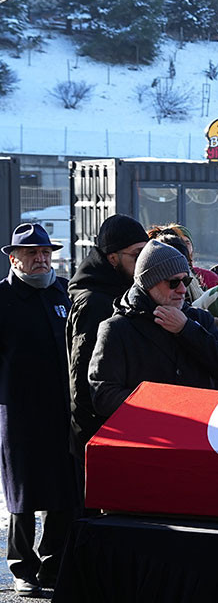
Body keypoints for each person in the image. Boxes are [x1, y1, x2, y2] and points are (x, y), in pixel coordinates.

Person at [0, 224, 79, 596]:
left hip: (63, 410)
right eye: (31, 253)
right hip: (20, 413)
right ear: (14, 259)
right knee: (23, 494)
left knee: (62, 491)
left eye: (45, 252)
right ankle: (22, 566)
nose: (41, 259)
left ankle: (52, 565)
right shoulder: (3, 298)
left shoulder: (63, 292)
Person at [89, 239, 218, 418]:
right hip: (148, 431)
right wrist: (161, 406)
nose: (183, 289)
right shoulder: (117, 329)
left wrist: (186, 330)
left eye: (186, 280)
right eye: (174, 282)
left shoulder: (199, 319)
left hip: (197, 427)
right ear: (149, 283)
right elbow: (104, 394)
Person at [67, 214, 148, 464]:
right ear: (112, 258)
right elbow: (81, 377)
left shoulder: (127, 291)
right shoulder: (93, 302)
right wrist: (92, 438)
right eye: (137, 255)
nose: (143, 262)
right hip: (100, 432)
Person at [149, 224, 218, 290]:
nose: (184, 246)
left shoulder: (209, 278)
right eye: (174, 282)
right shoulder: (155, 277)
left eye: (187, 242)